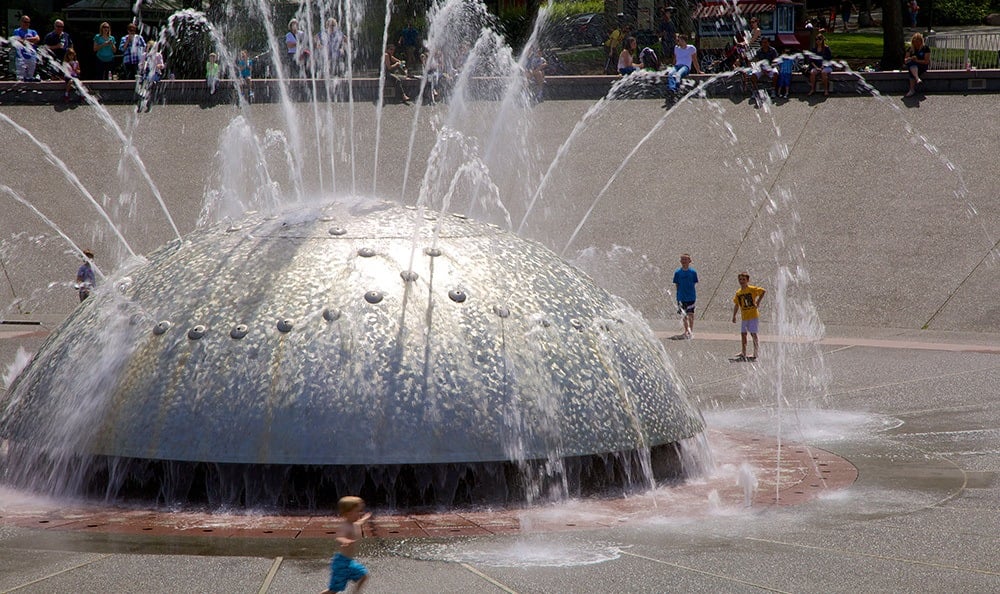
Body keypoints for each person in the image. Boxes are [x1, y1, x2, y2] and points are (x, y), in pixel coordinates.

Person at [321, 496, 370, 593]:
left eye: (360, 511)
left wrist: (365, 518)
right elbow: (339, 537)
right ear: (348, 513)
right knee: (333, 590)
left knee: (364, 575)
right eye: (357, 511)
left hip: (348, 562)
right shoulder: (345, 526)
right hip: (341, 563)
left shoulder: (354, 523)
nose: (360, 514)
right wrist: (344, 540)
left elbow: (360, 522)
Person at [731, 272, 766, 361]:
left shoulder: (751, 289)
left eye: (743, 279)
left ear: (747, 280)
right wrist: (734, 315)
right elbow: (737, 304)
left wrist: (758, 302)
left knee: (753, 334)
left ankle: (756, 352)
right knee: (743, 334)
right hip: (744, 316)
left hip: (753, 315)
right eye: (740, 279)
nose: (741, 281)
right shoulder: (738, 292)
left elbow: (763, 291)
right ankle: (743, 352)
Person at [672, 253, 698, 339]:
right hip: (681, 297)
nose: (684, 261)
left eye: (686, 259)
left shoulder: (693, 272)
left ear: (690, 261)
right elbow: (677, 284)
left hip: (691, 296)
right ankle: (686, 330)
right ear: (680, 261)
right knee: (684, 315)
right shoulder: (677, 273)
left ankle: (691, 330)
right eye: (682, 259)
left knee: (691, 313)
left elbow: (694, 283)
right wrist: (679, 295)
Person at [13, 15, 41, 82]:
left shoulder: (33, 31)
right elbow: (19, 40)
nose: (27, 24)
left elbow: (37, 39)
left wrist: (25, 39)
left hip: (31, 57)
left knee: (30, 77)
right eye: (25, 22)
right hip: (20, 57)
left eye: (28, 22)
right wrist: (31, 40)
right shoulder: (17, 31)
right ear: (21, 22)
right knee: (20, 78)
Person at [904, 32, 930, 98]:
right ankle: (917, 79)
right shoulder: (910, 49)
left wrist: (917, 60)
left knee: (911, 68)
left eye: (918, 43)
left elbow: (926, 61)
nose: (917, 45)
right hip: (912, 65)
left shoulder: (925, 48)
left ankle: (912, 90)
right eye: (915, 43)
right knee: (911, 64)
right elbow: (905, 60)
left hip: (922, 66)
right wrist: (910, 58)